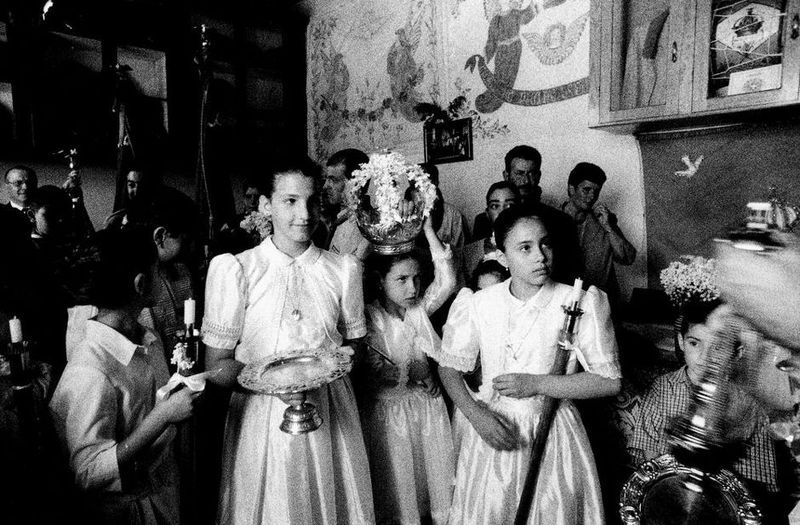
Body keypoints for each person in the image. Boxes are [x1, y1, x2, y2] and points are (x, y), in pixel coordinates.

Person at [202, 157, 375, 524]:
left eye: (312, 201)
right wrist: (271, 385)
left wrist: (341, 361)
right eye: (290, 201)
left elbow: (356, 346)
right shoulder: (238, 270)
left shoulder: (343, 269)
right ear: (266, 205)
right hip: (263, 418)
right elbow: (216, 366)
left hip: (330, 411)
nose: (305, 214)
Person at [430, 207, 621, 524]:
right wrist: (477, 416)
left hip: (553, 434)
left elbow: (608, 381)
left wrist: (537, 384)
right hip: (495, 429)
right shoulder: (479, 303)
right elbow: (448, 368)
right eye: (525, 248)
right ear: (502, 255)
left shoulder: (579, 301)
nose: (541, 257)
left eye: (545, 244)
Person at [49, 229, 199, 525]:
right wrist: (163, 416)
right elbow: (88, 471)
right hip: (125, 513)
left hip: (162, 495)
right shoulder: (90, 369)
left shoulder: (147, 339)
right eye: (157, 270)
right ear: (141, 284)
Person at [630, 299, 782, 519]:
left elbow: (759, 480)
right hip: (670, 499)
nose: (704, 357)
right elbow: (647, 457)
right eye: (694, 343)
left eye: (718, 348)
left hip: (722, 508)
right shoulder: (662, 388)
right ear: (681, 342)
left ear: (736, 353)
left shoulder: (749, 404)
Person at [359, 217, 456, 524]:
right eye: (401, 280)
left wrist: (427, 230)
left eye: (416, 278)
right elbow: (373, 367)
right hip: (390, 416)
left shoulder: (418, 311)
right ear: (380, 281)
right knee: (400, 485)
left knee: (431, 479)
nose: (413, 287)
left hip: (426, 411)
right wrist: (414, 372)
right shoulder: (370, 318)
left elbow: (447, 282)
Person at [561, 162, 636, 306]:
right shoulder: (551, 218)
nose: (591, 197)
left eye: (596, 191)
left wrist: (608, 227)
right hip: (563, 299)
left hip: (600, 303)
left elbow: (627, 258)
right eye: (586, 190)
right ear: (571, 189)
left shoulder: (604, 221)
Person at [463, 181, 519, 278]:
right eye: (495, 206)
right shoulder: (469, 253)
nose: (502, 211)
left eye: (510, 205)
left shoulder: (531, 248)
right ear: (487, 213)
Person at [324, 148, 370, 253]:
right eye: (327, 179)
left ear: (354, 184)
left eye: (333, 180)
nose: (325, 186)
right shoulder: (341, 219)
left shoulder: (356, 226)